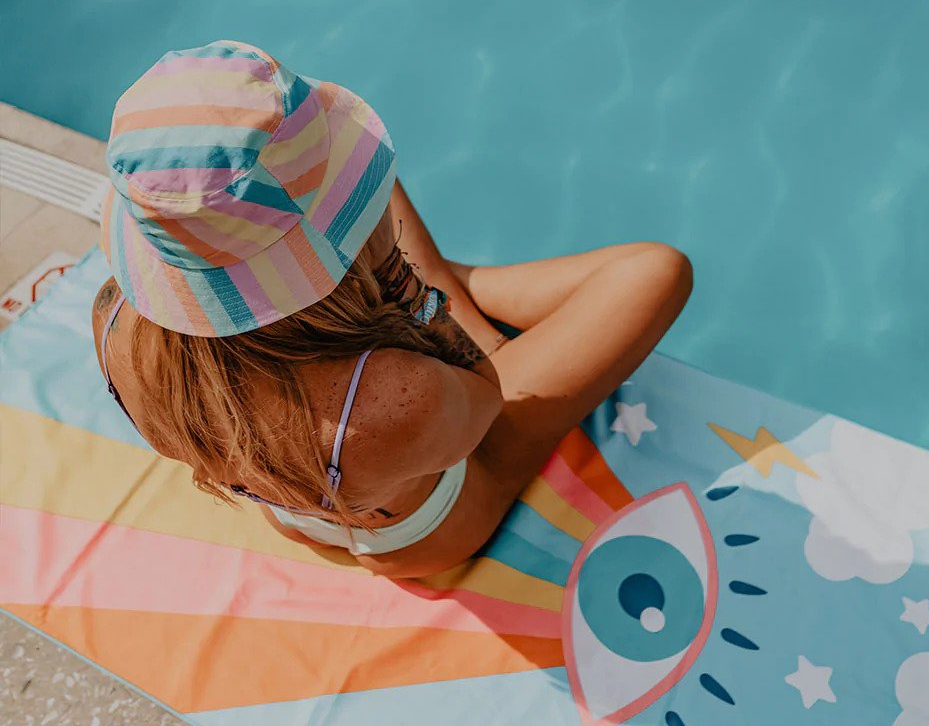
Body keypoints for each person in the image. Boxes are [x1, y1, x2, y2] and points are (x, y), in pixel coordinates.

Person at [91, 40, 693, 579]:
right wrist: (405, 281)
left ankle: (439, 279)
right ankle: (456, 287)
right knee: (655, 273)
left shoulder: (118, 325)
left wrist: (370, 255)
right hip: (431, 523)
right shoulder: (391, 403)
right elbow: (483, 395)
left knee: (369, 173)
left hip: (308, 500)